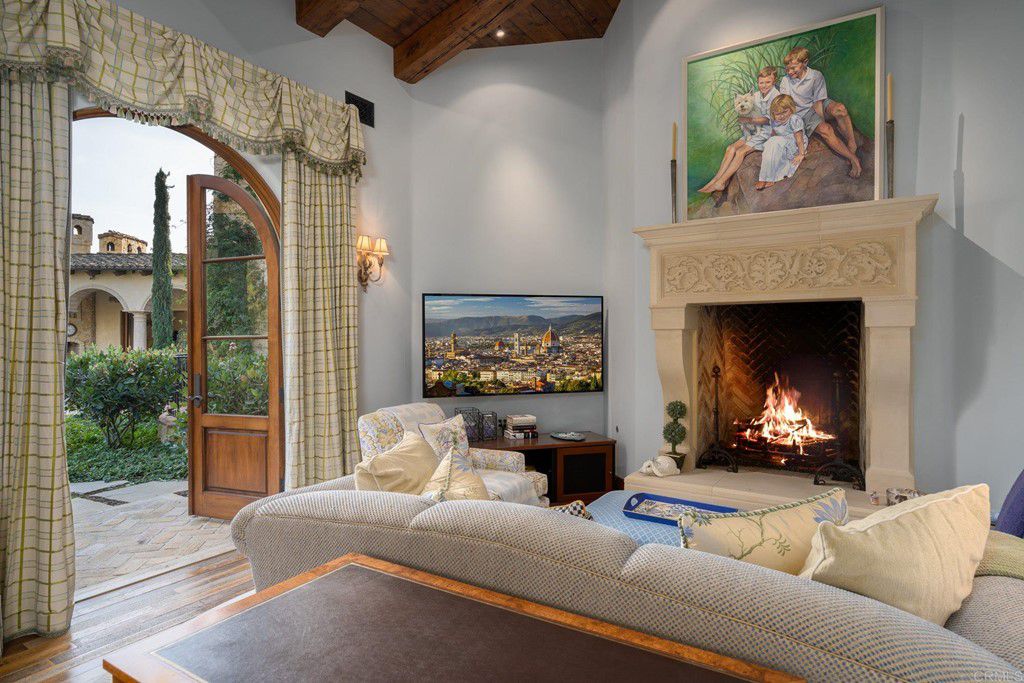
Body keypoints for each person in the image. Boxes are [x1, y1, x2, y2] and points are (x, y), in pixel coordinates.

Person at [779, 46, 861, 178]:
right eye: (787, 68)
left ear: (805, 63)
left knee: (840, 109)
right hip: (802, 112)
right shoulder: (785, 81)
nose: (790, 71)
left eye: (793, 68)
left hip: (817, 104)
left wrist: (820, 119)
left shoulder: (815, 76)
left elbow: (819, 102)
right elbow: (787, 105)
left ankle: (852, 143)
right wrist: (820, 125)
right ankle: (853, 159)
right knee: (826, 129)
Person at [698, 66, 780, 193]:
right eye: (761, 82)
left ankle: (721, 182)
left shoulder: (777, 96)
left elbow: (768, 120)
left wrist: (748, 120)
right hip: (752, 131)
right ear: (758, 82)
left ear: (774, 81)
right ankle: (715, 180)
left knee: (740, 152)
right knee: (730, 148)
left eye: (768, 82)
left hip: (766, 133)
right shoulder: (756, 95)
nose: (764, 85)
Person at [755, 94, 806, 190]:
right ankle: (763, 178)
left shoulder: (794, 119)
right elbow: (774, 134)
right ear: (773, 114)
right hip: (781, 144)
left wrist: (801, 154)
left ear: (791, 109)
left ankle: (769, 178)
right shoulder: (775, 122)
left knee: (776, 141)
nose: (781, 116)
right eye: (778, 114)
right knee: (771, 142)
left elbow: (799, 138)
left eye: (785, 112)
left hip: (794, 144)